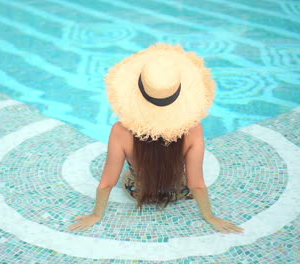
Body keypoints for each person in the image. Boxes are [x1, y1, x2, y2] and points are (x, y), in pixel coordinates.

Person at [68, 43, 244, 234]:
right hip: (178, 192)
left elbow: (107, 183)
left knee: (133, 173)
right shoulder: (194, 130)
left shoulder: (121, 131)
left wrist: (96, 215)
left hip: (138, 192)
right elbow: (196, 185)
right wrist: (210, 217)